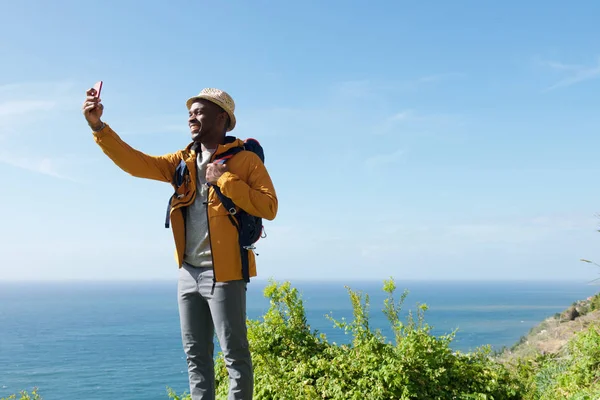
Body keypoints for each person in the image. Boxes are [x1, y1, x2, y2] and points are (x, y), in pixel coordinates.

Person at [82, 86, 278, 400]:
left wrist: (224, 179)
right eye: (190, 112)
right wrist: (98, 127)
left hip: (225, 274)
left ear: (222, 119)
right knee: (195, 357)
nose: (191, 117)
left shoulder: (245, 161)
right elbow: (136, 163)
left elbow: (269, 207)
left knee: (235, 357)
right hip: (187, 273)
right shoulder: (181, 162)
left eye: (199, 111)